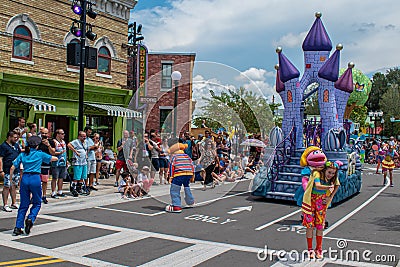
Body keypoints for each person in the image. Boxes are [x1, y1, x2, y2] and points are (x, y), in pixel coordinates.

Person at [10, 136, 57, 236]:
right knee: (37, 202)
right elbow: (53, 157)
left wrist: (11, 179)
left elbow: (13, 166)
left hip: (25, 178)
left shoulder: (23, 154)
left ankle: (18, 227)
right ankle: (31, 218)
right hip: (35, 178)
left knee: (23, 204)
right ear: (37, 145)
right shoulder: (40, 154)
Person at [302, 161, 340, 259]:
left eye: (333, 173)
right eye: (329, 172)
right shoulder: (316, 173)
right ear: (325, 170)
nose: (331, 175)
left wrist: (330, 197)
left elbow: (337, 185)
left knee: (320, 226)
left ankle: (318, 249)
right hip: (310, 201)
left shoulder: (333, 178)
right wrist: (329, 187)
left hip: (321, 202)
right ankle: (310, 249)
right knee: (309, 226)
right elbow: (318, 185)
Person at [165, 138, 195, 213]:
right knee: (186, 186)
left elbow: (172, 167)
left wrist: (171, 177)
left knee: (175, 189)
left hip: (179, 173)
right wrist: (192, 175)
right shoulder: (186, 156)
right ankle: (190, 201)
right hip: (188, 173)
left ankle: (176, 206)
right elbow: (192, 165)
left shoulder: (174, 156)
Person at [0, 131, 21, 212]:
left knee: (14, 186)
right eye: (14, 137)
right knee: (6, 186)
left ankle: (14, 202)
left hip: (16, 170)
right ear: (9, 137)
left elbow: (19, 154)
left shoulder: (16, 145)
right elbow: (0, 159)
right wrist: (1, 170)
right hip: (7, 170)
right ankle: (5, 204)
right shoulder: (3, 146)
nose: (16, 139)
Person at [67, 131, 89, 197]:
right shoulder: (76, 141)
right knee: (77, 176)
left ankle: (80, 188)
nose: (84, 137)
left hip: (84, 161)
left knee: (83, 176)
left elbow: (86, 149)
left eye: (85, 136)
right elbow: (69, 145)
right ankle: (74, 188)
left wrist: (86, 154)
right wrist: (75, 151)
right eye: (82, 136)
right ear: (79, 136)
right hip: (77, 161)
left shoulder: (85, 142)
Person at [37, 128, 55, 204]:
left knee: (44, 181)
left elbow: (53, 152)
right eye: (42, 133)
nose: (44, 135)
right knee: (37, 181)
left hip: (46, 164)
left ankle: (44, 195)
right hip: (37, 164)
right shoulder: (37, 141)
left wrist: (48, 145)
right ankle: (35, 196)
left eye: (45, 133)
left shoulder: (51, 141)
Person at [50, 129, 68, 199]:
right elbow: (52, 152)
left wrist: (66, 160)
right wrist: (59, 153)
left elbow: (65, 152)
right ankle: (53, 192)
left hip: (63, 162)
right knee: (55, 177)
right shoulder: (54, 142)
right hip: (56, 162)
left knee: (61, 177)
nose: (63, 135)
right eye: (62, 133)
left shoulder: (63, 142)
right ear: (57, 134)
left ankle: (60, 191)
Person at [84, 127, 98, 191]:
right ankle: (86, 184)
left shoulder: (90, 139)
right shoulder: (84, 139)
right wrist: (93, 147)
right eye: (88, 132)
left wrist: (95, 147)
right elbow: (87, 148)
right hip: (88, 158)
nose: (90, 133)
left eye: (90, 132)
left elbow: (93, 147)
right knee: (87, 172)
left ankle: (91, 184)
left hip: (93, 157)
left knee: (92, 172)